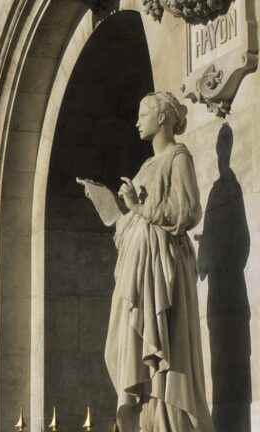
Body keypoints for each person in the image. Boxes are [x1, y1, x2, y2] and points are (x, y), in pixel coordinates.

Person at [103, 92, 214, 432]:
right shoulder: (146, 166)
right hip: (138, 273)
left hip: (162, 274)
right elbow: (136, 223)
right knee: (127, 348)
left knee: (167, 353)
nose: (137, 121)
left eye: (143, 114)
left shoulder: (178, 157)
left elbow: (188, 211)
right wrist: (116, 212)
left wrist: (139, 207)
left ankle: (171, 423)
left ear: (162, 118)